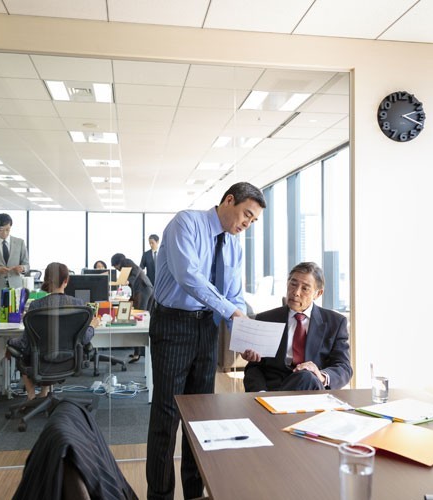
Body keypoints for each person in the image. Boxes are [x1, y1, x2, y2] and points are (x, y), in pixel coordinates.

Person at [146, 181, 266, 500]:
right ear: (229, 200)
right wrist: (231, 312)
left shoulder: (234, 245)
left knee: (200, 415)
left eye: (253, 221)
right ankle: (159, 495)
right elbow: (190, 278)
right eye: (246, 215)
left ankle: (194, 494)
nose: (247, 224)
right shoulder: (187, 223)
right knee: (167, 415)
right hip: (173, 324)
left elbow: (234, 295)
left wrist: (244, 335)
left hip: (206, 327)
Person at [241, 262, 352, 392]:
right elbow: (254, 368)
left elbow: (344, 368)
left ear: (318, 294)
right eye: (293, 284)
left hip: (310, 389)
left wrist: (320, 375)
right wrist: (261, 393)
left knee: (307, 377)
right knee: (306, 378)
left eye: (305, 288)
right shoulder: (266, 319)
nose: (296, 292)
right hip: (272, 389)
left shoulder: (335, 323)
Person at [7, 262, 98, 400]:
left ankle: (32, 396)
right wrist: (92, 326)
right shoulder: (78, 305)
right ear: (66, 281)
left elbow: (25, 342)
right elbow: (84, 339)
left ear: (46, 280)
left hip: (41, 360)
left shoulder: (36, 305)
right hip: (68, 360)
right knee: (45, 347)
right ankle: (43, 393)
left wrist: (9, 343)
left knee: (28, 351)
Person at [111, 255, 154, 363]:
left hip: (143, 290)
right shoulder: (126, 266)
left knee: (140, 318)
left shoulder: (127, 262)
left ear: (118, 262)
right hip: (145, 289)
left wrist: (127, 281)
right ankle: (139, 352)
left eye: (115, 265)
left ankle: (138, 353)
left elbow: (135, 273)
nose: (115, 268)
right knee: (143, 318)